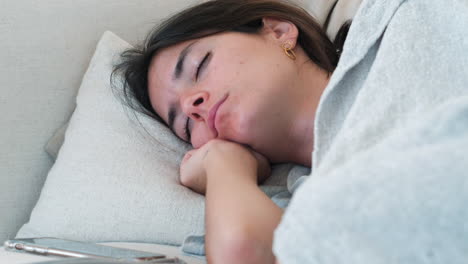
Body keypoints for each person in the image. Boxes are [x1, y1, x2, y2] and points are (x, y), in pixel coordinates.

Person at [112, 0, 468, 263]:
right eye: (185, 125)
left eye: (199, 65)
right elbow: (244, 253)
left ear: (278, 31)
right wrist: (225, 166)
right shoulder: (284, 208)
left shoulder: (406, 19)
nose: (193, 104)